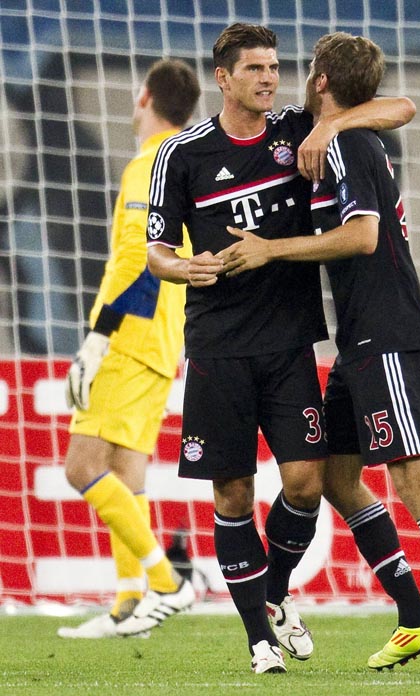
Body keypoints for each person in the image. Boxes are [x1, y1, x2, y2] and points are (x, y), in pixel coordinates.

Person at [116, 23, 416, 674]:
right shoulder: (184, 154)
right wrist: (181, 268)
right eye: (254, 68)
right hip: (219, 346)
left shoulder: (293, 128)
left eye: (275, 67)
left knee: (306, 483)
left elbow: (400, 108)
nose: (268, 77)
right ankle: (257, 637)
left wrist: (330, 128)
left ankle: (274, 593)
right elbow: (157, 251)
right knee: (232, 495)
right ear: (222, 79)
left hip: (288, 341)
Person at [219, 32, 420, 677]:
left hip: (388, 330)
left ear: (321, 79)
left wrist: (271, 249)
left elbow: (361, 235)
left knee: (411, 474)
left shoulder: (348, 142)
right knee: (335, 477)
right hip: (359, 338)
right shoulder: (336, 132)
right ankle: (414, 617)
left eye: (303, 71)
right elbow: (397, 105)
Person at [58, 59, 200, 639]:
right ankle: (129, 602)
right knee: (126, 472)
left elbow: (138, 257)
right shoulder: (188, 160)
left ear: (144, 97)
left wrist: (99, 335)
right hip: (164, 337)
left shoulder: (152, 163)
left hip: (130, 334)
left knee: (81, 468)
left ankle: (167, 583)